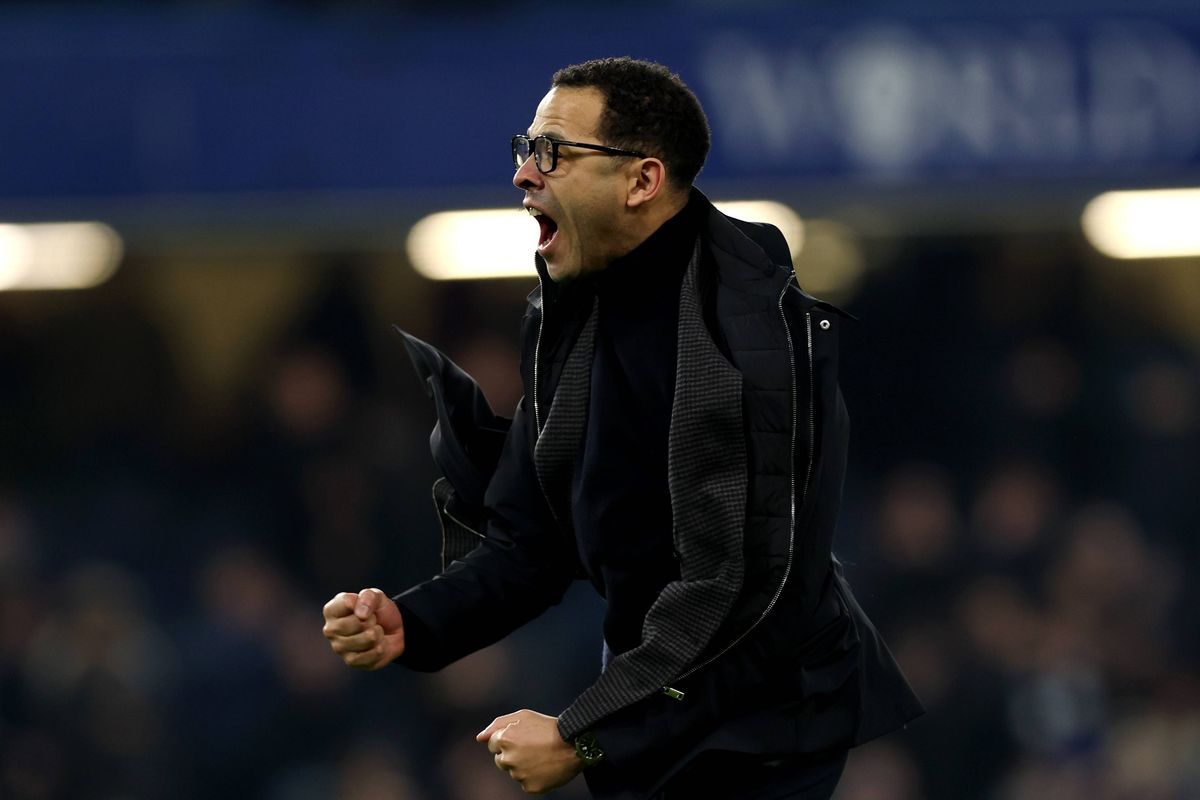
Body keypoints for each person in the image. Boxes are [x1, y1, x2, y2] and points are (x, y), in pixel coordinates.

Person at [323, 57, 923, 799]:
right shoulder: (572, 307)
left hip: (760, 725)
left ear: (642, 182)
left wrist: (586, 736)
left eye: (553, 154)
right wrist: (417, 622)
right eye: (525, 149)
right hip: (659, 693)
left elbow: (743, 592)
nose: (523, 175)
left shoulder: (748, 337)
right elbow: (532, 537)